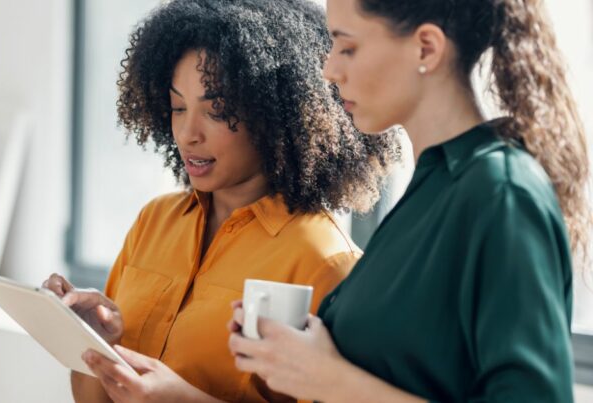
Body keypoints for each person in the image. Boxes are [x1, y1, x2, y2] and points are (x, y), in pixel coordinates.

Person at [228, 0, 591, 401]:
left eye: (347, 48)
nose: (328, 70)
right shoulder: (431, 189)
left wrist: (328, 379)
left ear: (426, 49)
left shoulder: (501, 192)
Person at [42, 0, 399, 401]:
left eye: (217, 111)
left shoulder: (323, 262)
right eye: (178, 107)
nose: (188, 133)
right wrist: (94, 341)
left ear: (276, 117)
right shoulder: (155, 222)